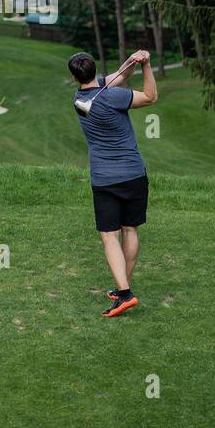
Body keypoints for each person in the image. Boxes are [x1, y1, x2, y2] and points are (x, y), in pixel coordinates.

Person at [68, 49, 157, 317]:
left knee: (109, 235)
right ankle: (123, 290)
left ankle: (124, 292)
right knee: (130, 230)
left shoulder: (80, 100)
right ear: (95, 69)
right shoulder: (114, 96)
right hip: (133, 175)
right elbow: (151, 97)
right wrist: (147, 66)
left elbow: (117, 77)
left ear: (75, 77)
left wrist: (131, 61)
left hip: (104, 179)